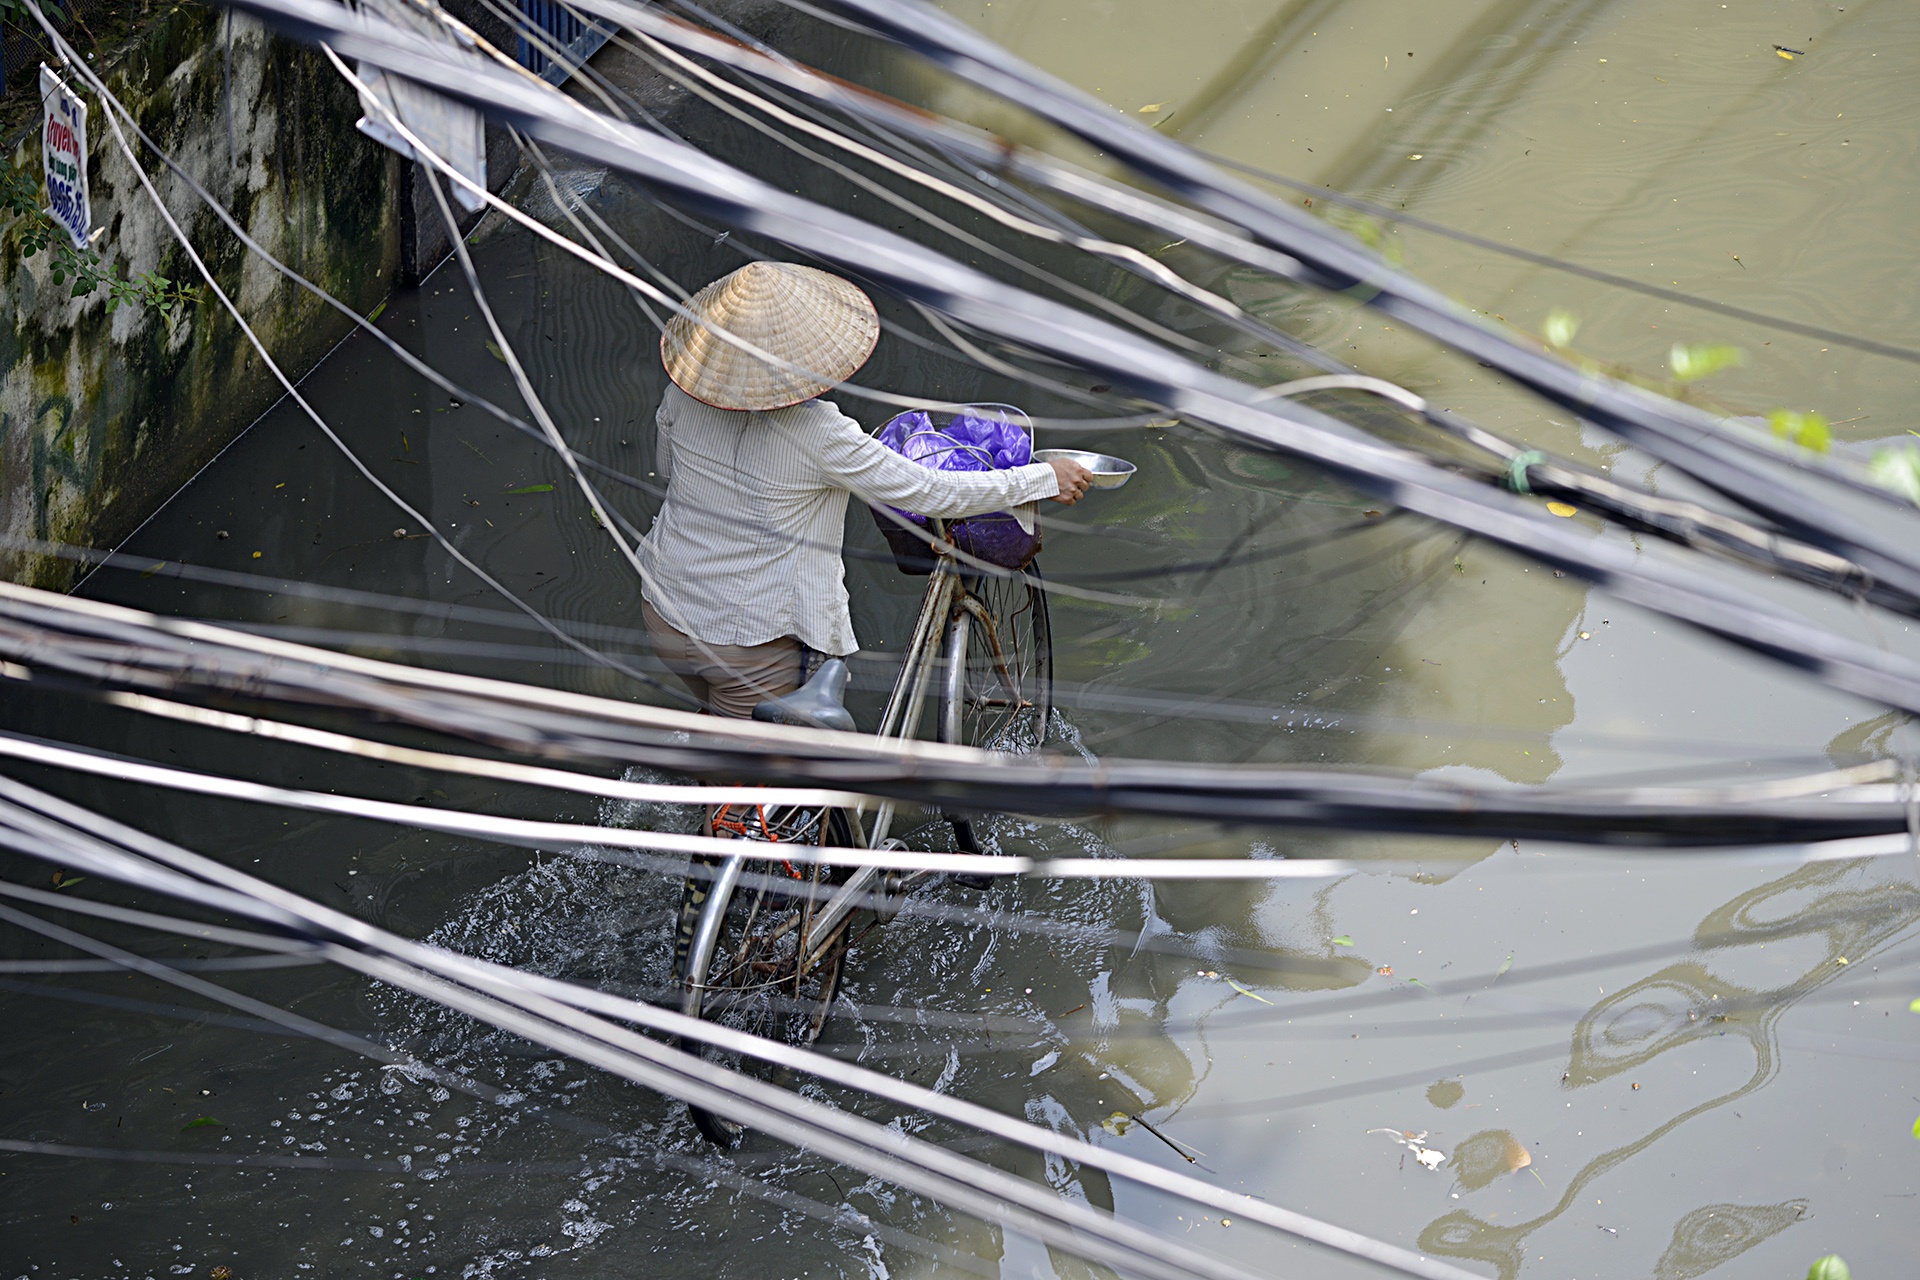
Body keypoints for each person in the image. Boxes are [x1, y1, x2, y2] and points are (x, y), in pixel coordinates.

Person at [639, 261, 1092, 719]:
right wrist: (1043, 478)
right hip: (745, 643)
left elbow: (667, 470)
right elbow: (929, 491)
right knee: (752, 762)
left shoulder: (682, 397)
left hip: (664, 608)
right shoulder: (820, 432)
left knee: (715, 732)